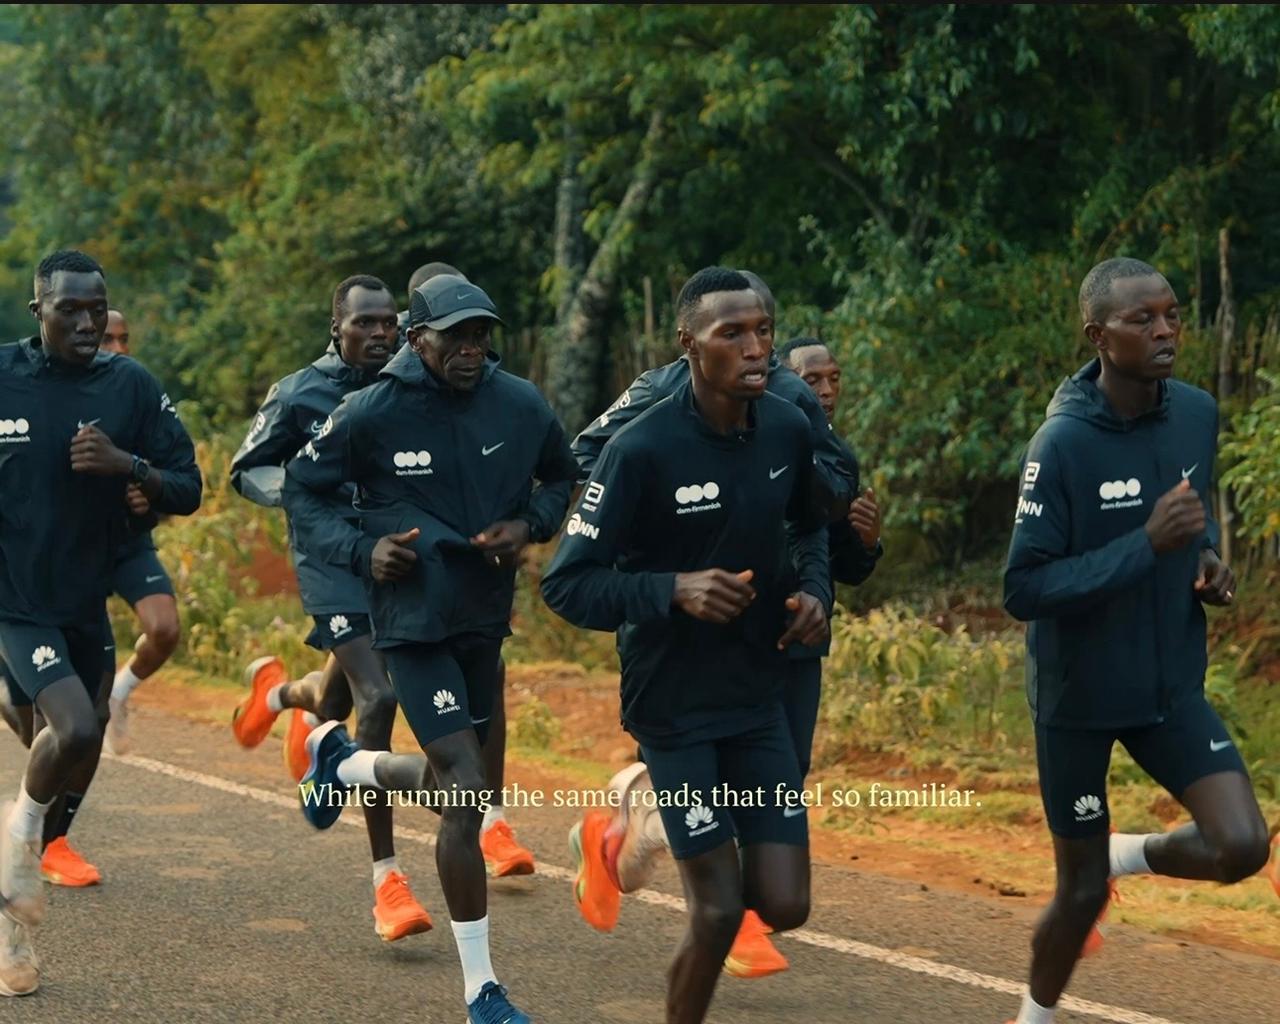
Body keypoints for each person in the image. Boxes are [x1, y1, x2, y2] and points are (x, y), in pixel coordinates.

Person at [283, 273, 578, 1024]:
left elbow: (563, 475)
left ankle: (345, 761)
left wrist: (528, 525)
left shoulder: (518, 401)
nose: (473, 350)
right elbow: (302, 489)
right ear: (419, 340)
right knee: (468, 789)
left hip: (483, 617)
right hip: (411, 623)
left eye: (482, 335)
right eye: (456, 337)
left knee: (463, 789)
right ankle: (482, 989)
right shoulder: (372, 409)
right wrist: (361, 549)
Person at [542, 267, 831, 1024]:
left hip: (756, 693)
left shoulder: (788, 429)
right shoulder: (641, 450)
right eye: (730, 333)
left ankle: (633, 812)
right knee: (715, 911)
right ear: (688, 347)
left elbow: (810, 526)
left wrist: (817, 594)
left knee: (786, 902)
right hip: (671, 704)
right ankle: (647, 798)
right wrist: (672, 590)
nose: (755, 347)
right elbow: (566, 584)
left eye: (762, 330)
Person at [1001, 257, 1271, 1024]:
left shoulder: (1195, 411)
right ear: (1098, 335)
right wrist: (1145, 547)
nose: (1164, 331)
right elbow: (1023, 590)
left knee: (1243, 845)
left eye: (1172, 315)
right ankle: (1034, 1017)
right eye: (1142, 320)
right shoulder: (1060, 446)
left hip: (1167, 689)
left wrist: (1207, 561)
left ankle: (1133, 853)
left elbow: (1195, 522)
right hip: (1079, 699)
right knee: (1079, 894)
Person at [0, 250, 201, 996]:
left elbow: (189, 485)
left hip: (88, 598)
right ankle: (20, 844)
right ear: (38, 312)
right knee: (77, 729)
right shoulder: (3, 378)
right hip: (18, 601)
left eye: (97, 309)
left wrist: (130, 467)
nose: (87, 323)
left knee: (74, 756)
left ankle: (13, 929)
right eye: (69, 311)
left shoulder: (132, 386)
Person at [229, 275, 434, 943]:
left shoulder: (411, 384)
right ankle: (387, 881)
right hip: (330, 562)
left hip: (392, 557)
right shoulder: (299, 392)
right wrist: (304, 497)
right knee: (379, 698)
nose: (379, 334)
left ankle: (283, 697)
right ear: (336, 328)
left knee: (338, 699)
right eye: (364, 324)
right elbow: (246, 467)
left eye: (388, 324)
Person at [100, 306, 183, 757]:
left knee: (165, 629)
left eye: (123, 339)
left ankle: (120, 691)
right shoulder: (59, 393)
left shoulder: (140, 392)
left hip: (130, 544)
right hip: (74, 548)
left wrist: (150, 491)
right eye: (107, 339)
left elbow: (174, 478)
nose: (119, 348)